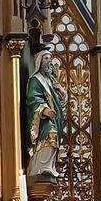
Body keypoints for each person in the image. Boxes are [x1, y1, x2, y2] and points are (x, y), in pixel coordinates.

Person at [24, 48, 66, 185]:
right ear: (39, 61)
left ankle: (49, 166)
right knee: (49, 133)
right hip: (43, 120)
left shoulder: (50, 81)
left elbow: (59, 103)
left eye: (50, 59)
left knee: (54, 137)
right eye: (46, 58)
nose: (49, 62)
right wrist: (44, 110)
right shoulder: (35, 80)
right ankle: (41, 167)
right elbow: (32, 99)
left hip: (53, 119)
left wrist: (61, 91)